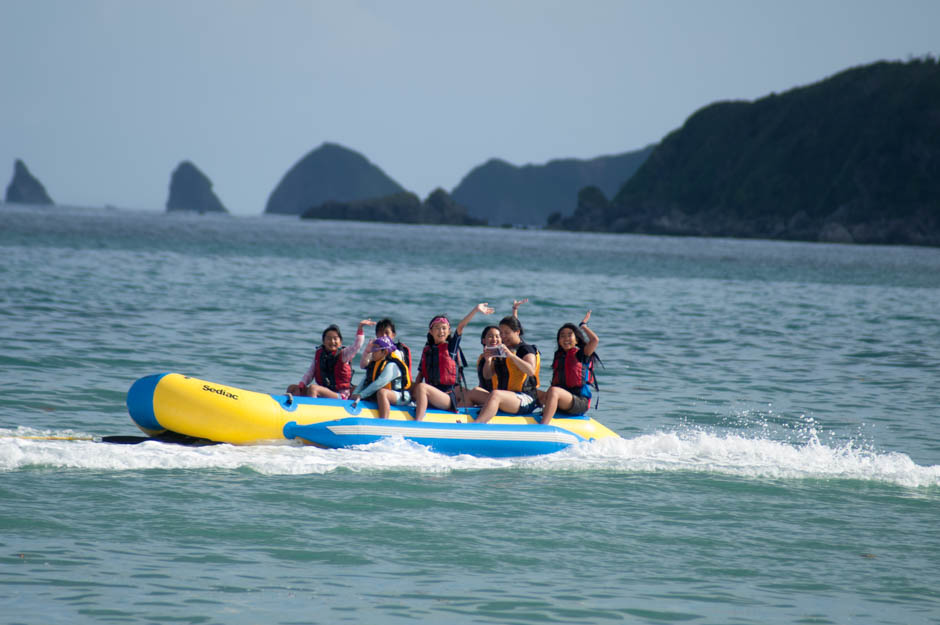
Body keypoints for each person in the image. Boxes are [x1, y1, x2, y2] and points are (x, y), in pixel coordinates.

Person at [411, 303, 494, 420]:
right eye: (437, 328)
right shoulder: (427, 350)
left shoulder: (451, 348)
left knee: (422, 388)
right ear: (430, 331)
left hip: (447, 397)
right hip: (431, 395)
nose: (441, 331)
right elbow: (420, 375)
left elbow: (460, 327)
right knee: (413, 386)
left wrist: (475, 310)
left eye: (444, 328)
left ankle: (417, 423)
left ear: (449, 331)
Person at [474, 315, 541, 423]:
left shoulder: (526, 349)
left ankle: (476, 426)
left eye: (507, 333)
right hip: (507, 397)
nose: (503, 336)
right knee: (475, 392)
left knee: (496, 394)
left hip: (525, 399)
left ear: (517, 332)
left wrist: (512, 356)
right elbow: (487, 376)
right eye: (501, 333)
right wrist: (488, 361)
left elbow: (530, 371)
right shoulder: (502, 350)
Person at [287, 319, 374, 398]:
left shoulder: (344, 354)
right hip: (323, 391)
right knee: (292, 388)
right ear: (323, 341)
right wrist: (302, 384)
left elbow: (357, 345)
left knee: (313, 389)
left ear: (340, 342)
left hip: (340, 395)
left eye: (335, 339)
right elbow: (310, 372)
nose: (332, 341)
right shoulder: (319, 354)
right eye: (328, 338)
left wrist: (360, 328)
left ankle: (314, 412)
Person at [463, 299, 527, 406]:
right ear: (483, 340)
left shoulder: (503, 354)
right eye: (490, 336)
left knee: (473, 392)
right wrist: (488, 361)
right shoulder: (483, 357)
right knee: (461, 391)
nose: (494, 339)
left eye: (498, 336)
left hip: (499, 397)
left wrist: (514, 311)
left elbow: (515, 333)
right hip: (487, 395)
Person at [540, 311, 599, 425]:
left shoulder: (582, 354)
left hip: (579, 401)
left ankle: (543, 426)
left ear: (576, 339)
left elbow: (595, 340)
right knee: (533, 391)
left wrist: (583, 326)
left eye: (569, 335)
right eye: (562, 336)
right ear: (559, 341)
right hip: (562, 400)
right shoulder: (559, 356)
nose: (566, 338)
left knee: (554, 391)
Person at [350, 336, 412, 419]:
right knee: (354, 388)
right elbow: (364, 380)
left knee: (382, 393)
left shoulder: (392, 366)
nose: (373, 352)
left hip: (401, 396)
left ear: (385, 352)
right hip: (384, 395)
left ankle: (384, 420)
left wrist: (361, 395)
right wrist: (355, 394)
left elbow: (378, 383)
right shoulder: (374, 364)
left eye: (376, 349)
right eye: (372, 349)